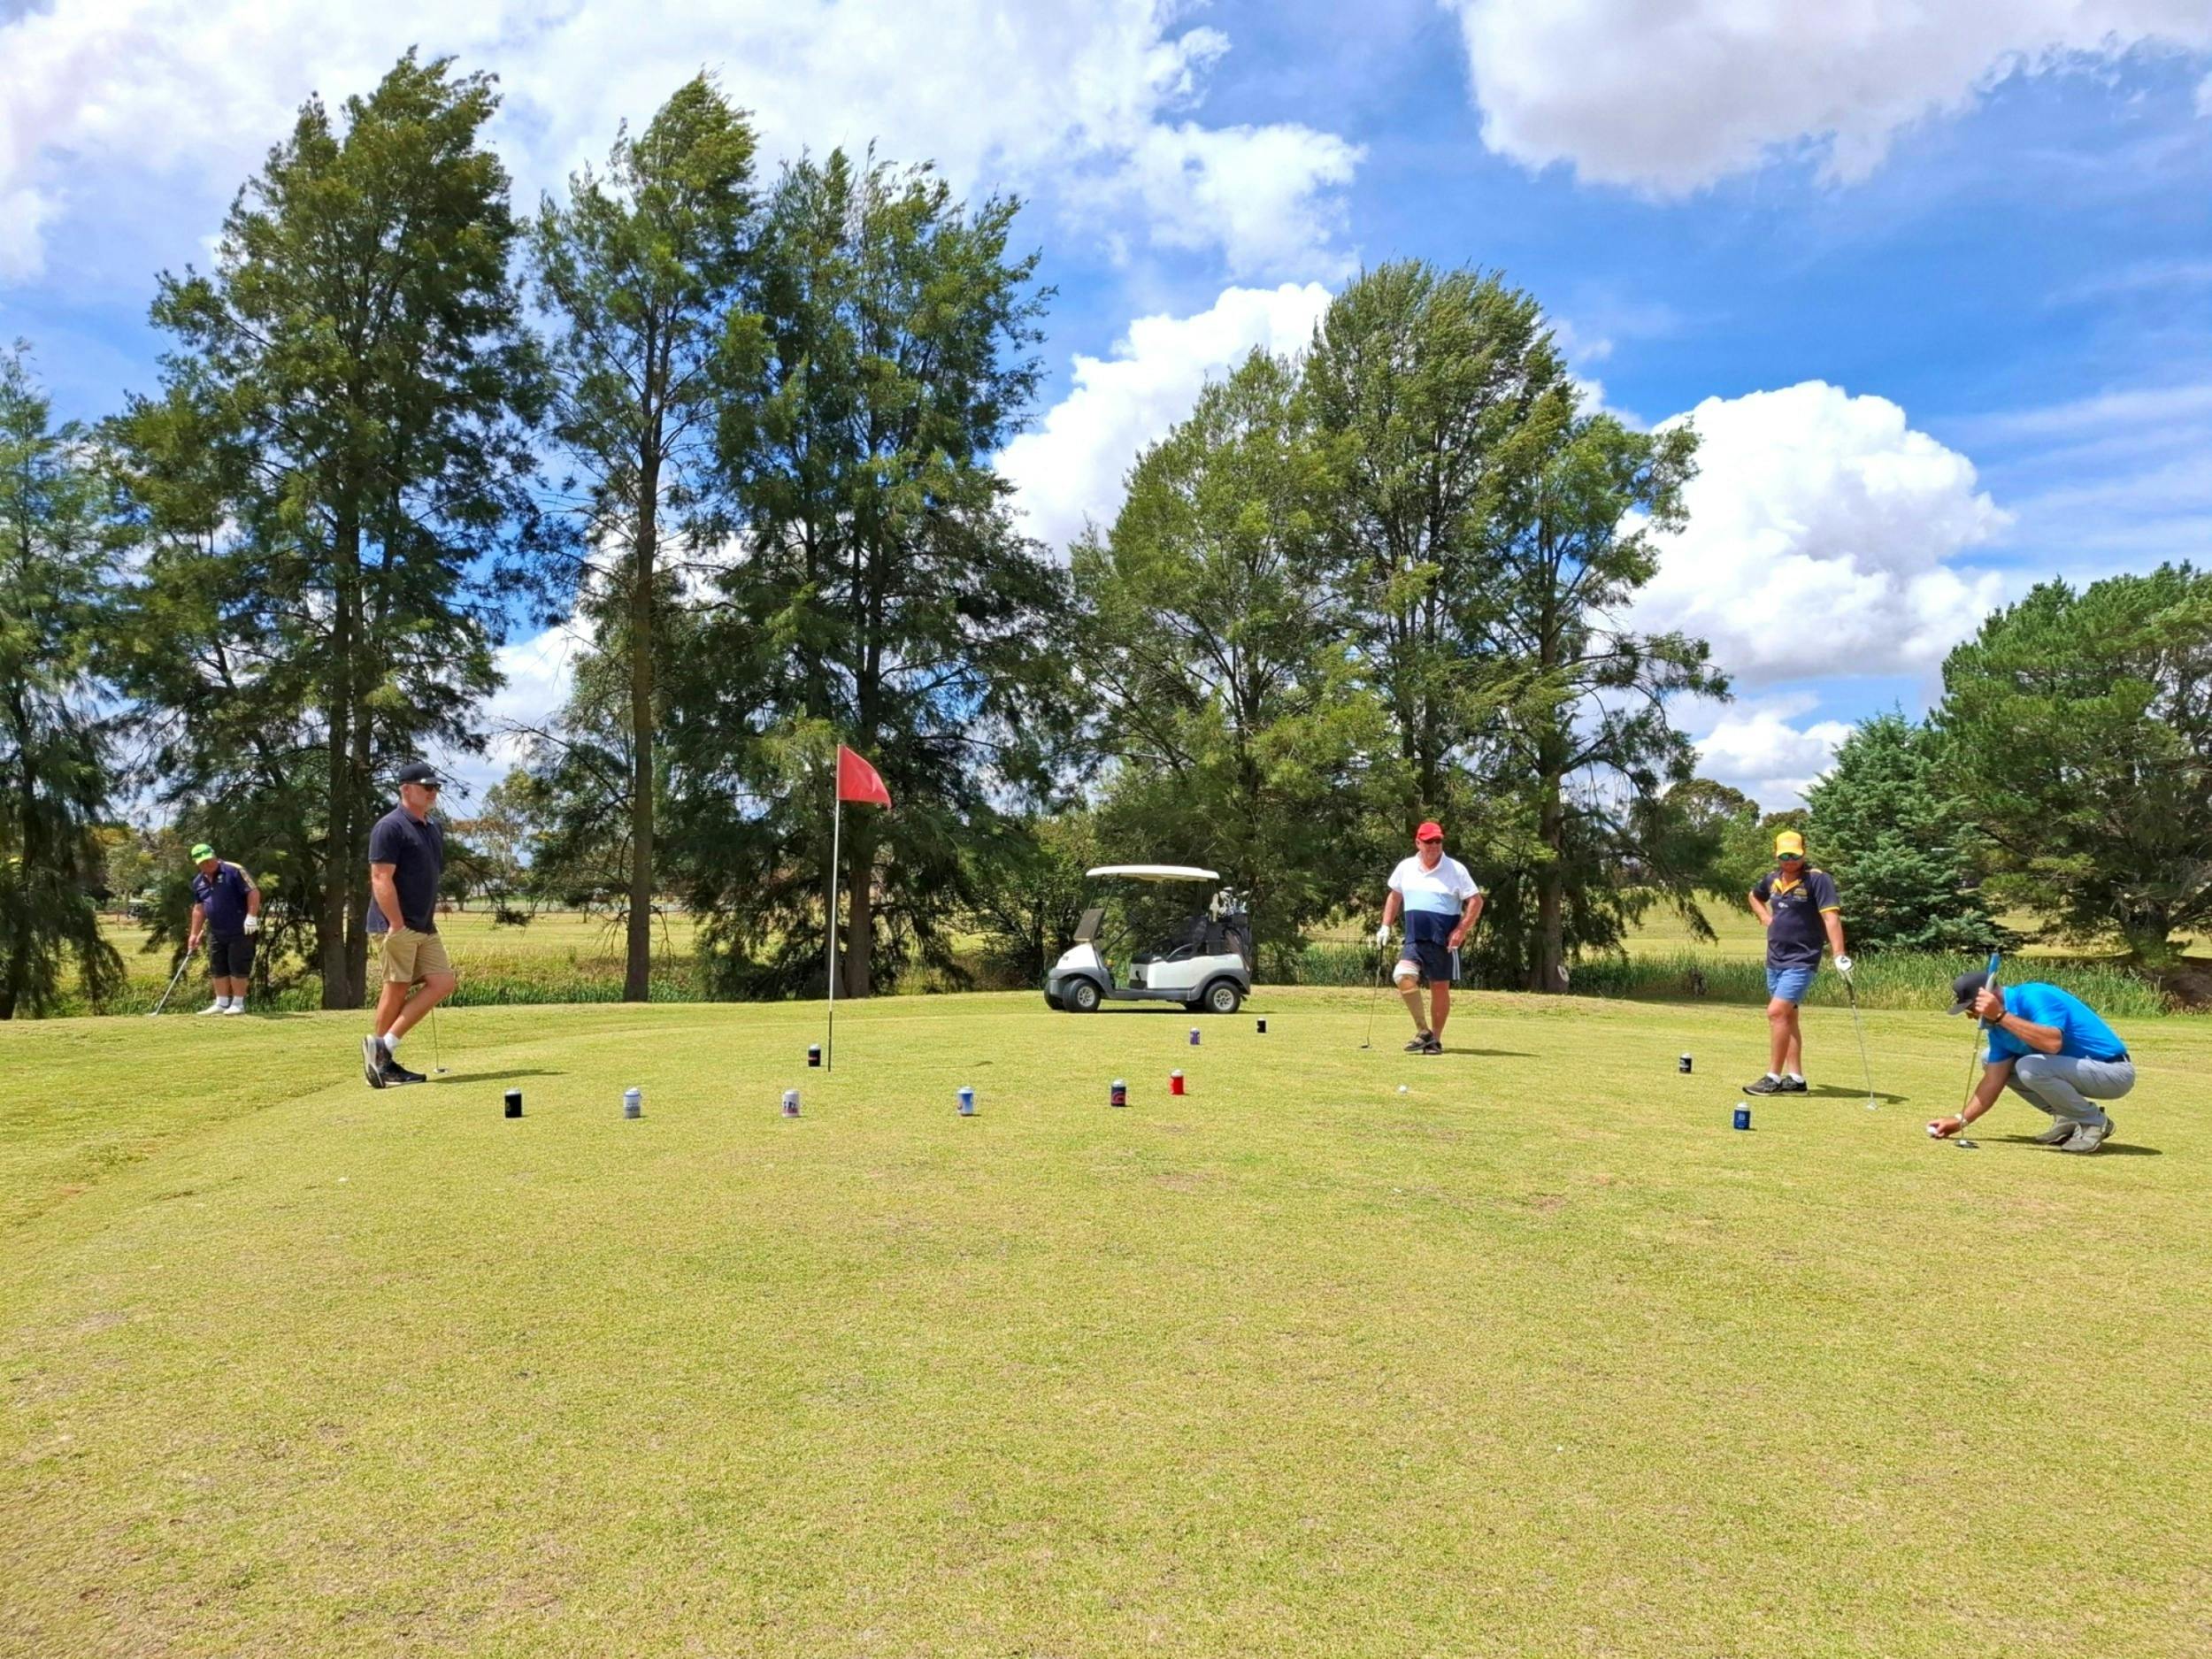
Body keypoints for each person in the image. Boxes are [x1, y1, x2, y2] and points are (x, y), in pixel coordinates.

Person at [1928, 969, 2133, 1154]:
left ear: (1989, 998)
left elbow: (2052, 1043)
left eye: (1972, 1008)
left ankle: (2094, 1123)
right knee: (1989, 1058)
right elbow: (1993, 1081)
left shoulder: (2034, 995)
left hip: (2112, 1071)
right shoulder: (1997, 1029)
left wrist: (1999, 1015)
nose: (1972, 1017)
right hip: (2076, 1071)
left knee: (2029, 1067)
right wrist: (1960, 1120)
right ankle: (2067, 1117)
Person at [359, 761, 457, 1088]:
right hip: (396, 925)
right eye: (426, 787)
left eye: (435, 787)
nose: (433, 793)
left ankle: (384, 1046)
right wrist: (397, 923)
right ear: (406, 789)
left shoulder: (432, 827)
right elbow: (380, 878)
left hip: (424, 925)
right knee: (396, 987)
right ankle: (382, 1064)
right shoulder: (389, 827)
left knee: (443, 982)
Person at [1743, 829, 1853, 1095]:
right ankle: (1796, 1078)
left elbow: (1831, 918)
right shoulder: (1772, 879)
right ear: (1777, 855)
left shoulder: (1818, 880)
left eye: (1795, 855)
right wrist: (1765, 918)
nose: (1790, 860)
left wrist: (1839, 954)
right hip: (1776, 957)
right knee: (1788, 1016)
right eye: (1785, 855)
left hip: (1802, 958)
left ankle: (1773, 1077)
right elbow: (1754, 896)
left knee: (1776, 1012)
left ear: (1803, 852)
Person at [1376, 820, 1483, 1056]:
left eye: (1438, 841)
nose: (1434, 845)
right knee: (1402, 976)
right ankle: (1423, 1031)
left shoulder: (1456, 869)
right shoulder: (1406, 867)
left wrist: (1461, 930)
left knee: (1439, 987)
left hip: (1443, 941)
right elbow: (1395, 897)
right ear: (1418, 842)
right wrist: (1385, 926)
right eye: (1429, 841)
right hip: (1414, 938)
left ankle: (1435, 1039)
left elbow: (1475, 901)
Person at [185, 843, 262, 1015]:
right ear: (197, 864)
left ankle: (238, 1004)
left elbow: (253, 892)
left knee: (238, 964)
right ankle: (221, 1003)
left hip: (240, 928)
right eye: (203, 862)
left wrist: (251, 916)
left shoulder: (234, 870)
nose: (207, 864)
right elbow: (199, 908)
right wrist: (194, 934)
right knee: (217, 966)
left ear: (214, 855)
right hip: (216, 930)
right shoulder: (199, 881)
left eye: (209, 860)